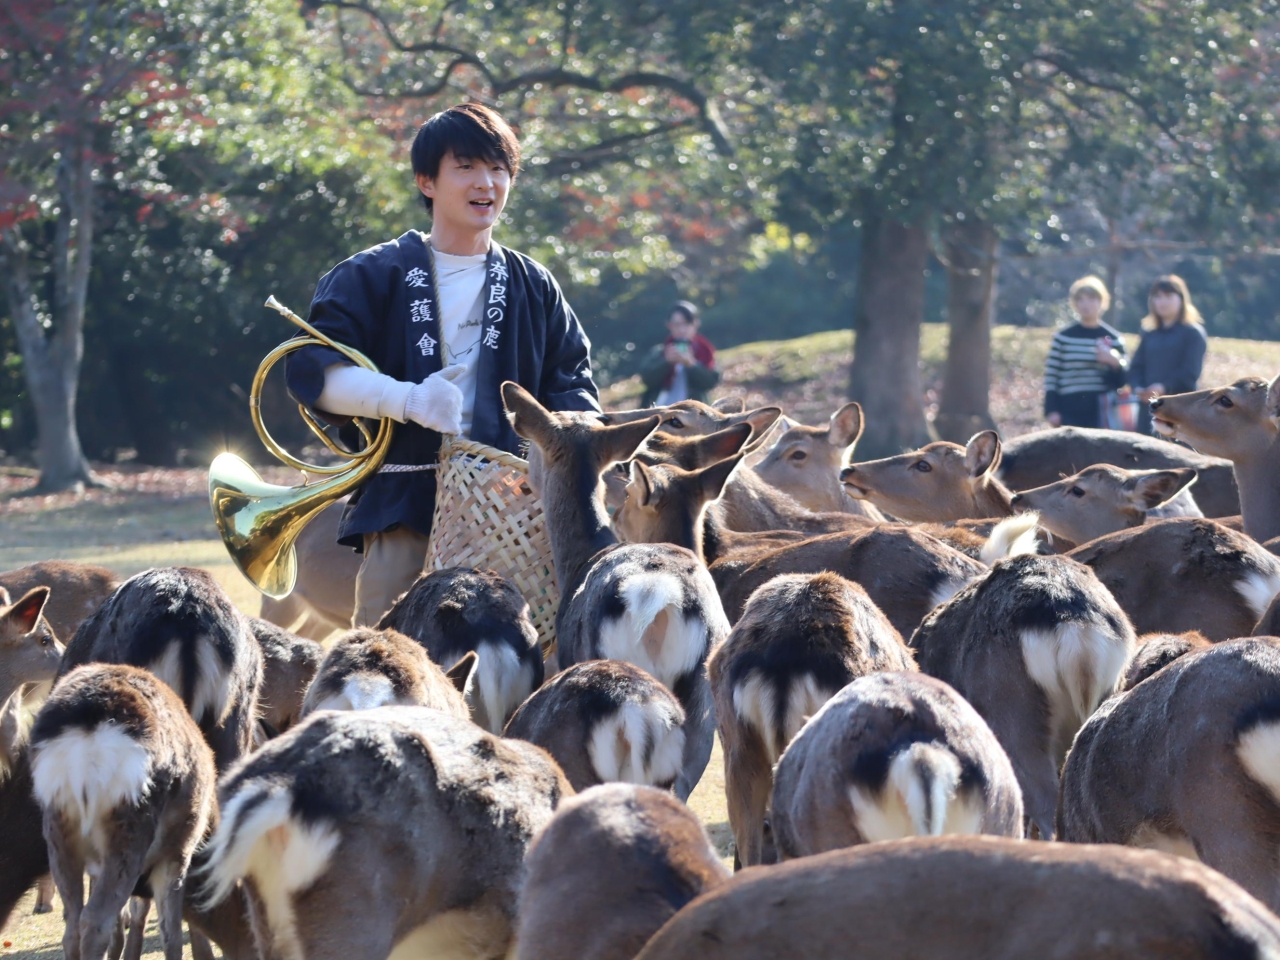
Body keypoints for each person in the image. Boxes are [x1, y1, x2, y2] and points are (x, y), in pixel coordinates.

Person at [284, 103, 599, 626]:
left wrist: (552, 469)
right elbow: (310, 369)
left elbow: (572, 387)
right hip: (404, 505)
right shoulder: (370, 273)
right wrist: (406, 400)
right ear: (427, 181)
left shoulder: (534, 284)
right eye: (467, 167)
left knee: (518, 666)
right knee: (389, 660)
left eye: (499, 169)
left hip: (512, 512)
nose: (487, 183)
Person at [1042, 276, 1128, 429]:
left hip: (1102, 409)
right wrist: (1051, 409)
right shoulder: (1063, 337)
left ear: (1102, 301)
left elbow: (1124, 381)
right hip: (1069, 407)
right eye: (1080, 299)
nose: (1085, 304)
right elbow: (1052, 376)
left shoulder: (1114, 338)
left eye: (1091, 299)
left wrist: (1114, 361)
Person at [1128, 274, 1207, 435]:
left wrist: (1163, 387)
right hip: (1148, 410)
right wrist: (1138, 388)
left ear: (1181, 299)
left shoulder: (1193, 333)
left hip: (1180, 412)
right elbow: (1136, 367)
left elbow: (1190, 373)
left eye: (1168, 296)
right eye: (1157, 297)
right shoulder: (1149, 333)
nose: (1162, 302)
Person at [639, 301, 720, 406]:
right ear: (669, 325)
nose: (682, 330)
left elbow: (711, 382)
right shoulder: (659, 352)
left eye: (686, 324)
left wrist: (692, 365)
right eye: (677, 324)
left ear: (696, 324)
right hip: (659, 410)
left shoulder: (705, 351)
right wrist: (666, 362)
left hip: (693, 414)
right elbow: (647, 379)